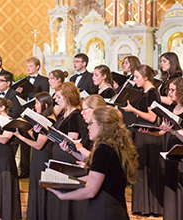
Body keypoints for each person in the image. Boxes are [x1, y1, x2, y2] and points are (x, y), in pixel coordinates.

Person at [48, 106, 139, 220]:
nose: (88, 126)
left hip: (105, 210)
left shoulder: (103, 149)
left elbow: (90, 190)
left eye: (91, 123)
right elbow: (95, 176)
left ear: (102, 125)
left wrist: (63, 195)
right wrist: (64, 180)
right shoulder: (114, 146)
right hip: (114, 207)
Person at [121, 65, 164, 216]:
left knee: (148, 170)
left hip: (149, 135)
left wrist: (133, 110)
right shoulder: (144, 92)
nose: (134, 80)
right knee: (140, 170)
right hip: (141, 133)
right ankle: (143, 206)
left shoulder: (153, 93)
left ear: (146, 77)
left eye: (137, 77)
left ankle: (151, 206)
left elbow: (152, 117)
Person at [144, 77, 183, 220]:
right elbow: (162, 132)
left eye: (173, 90)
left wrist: (173, 131)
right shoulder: (173, 108)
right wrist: (148, 130)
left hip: (181, 153)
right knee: (171, 188)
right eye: (169, 90)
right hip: (171, 153)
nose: (170, 93)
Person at [13, 92, 56, 220]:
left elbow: (38, 145)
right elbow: (38, 138)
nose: (35, 106)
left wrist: (20, 136)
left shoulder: (49, 120)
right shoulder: (44, 119)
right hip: (39, 156)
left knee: (41, 188)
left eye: (37, 103)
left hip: (44, 156)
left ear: (45, 105)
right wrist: (29, 129)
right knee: (36, 186)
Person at [47, 81, 85, 220]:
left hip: (67, 157)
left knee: (67, 193)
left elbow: (72, 139)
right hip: (58, 154)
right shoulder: (63, 114)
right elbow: (55, 137)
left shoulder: (75, 115)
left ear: (67, 97)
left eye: (58, 97)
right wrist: (45, 132)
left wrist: (59, 138)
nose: (55, 100)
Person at [16, 57, 50, 178]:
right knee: (25, 141)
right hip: (26, 112)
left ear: (37, 66)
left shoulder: (44, 80)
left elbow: (45, 96)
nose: (28, 68)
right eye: (27, 66)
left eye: (30, 65)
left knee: (38, 138)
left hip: (39, 113)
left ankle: (37, 168)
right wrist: (19, 93)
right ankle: (25, 170)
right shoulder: (24, 80)